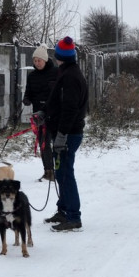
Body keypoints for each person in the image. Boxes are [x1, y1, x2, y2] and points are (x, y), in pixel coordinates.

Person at [43, 36, 88, 231]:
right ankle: (63, 210)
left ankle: (73, 216)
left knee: (66, 174)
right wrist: (44, 112)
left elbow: (70, 109)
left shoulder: (70, 77)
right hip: (65, 131)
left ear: (60, 56)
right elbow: (58, 102)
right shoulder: (67, 71)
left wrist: (61, 134)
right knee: (61, 173)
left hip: (69, 134)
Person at [23, 45, 59, 181]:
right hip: (39, 115)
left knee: (57, 144)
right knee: (44, 143)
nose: (37, 63)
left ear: (45, 60)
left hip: (55, 114)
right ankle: (48, 172)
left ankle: (59, 170)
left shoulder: (56, 72)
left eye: (39, 60)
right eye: (35, 60)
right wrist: (27, 99)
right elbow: (29, 92)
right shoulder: (32, 76)